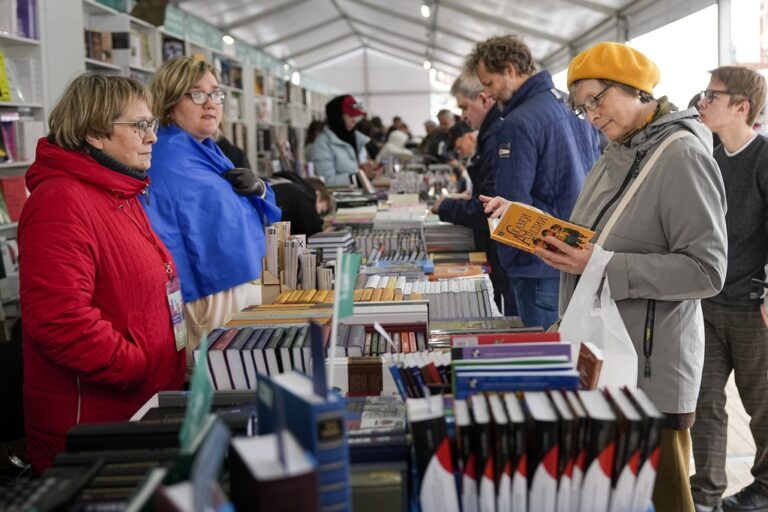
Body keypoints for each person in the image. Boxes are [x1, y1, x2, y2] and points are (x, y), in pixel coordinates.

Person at [486, 42, 728, 512]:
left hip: (650, 367)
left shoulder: (680, 155)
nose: (592, 115)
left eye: (597, 99)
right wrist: (535, 225)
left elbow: (706, 269)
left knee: (662, 494)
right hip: (607, 355)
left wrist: (601, 265)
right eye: (583, 107)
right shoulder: (619, 151)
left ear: (636, 88)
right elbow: (602, 237)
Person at [19, 74, 185, 473]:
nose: (153, 137)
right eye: (139, 125)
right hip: (97, 426)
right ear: (94, 133)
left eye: (152, 124)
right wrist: (137, 367)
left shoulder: (120, 192)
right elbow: (60, 319)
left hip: (136, 410)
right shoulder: (61, 201)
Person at [145, 57, 281, 375]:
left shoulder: (206, 149)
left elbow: (245, 209)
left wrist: (260, 188)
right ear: (170, 103)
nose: (210, 103)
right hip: (209, 298)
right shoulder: (166, 156)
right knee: (225, 386)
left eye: (216, 94)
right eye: (196, 94)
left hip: (233, 287)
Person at [468, 34, 601, 328]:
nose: (488, 94)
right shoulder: (572, 105)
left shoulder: (518, 123)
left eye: (489, 83)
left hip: (537, 266)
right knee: (571, 347)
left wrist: (510, 262)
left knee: (543, 351)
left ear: (510, 70)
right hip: (578, 252)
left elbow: (511, 204)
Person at [690, 66, 768, 512]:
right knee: (704, 403)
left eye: (712, 95)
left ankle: (765, 489)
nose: (702, 102)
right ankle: (705, 493)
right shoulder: (709, 159)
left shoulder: (764, 158)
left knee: (763, 406)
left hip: (754, 308)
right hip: (707, 304)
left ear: (742, 107)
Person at [430, 70, 511, 313]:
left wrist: (447, 206)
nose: (463, 116)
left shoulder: (497, 136)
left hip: (510, 253)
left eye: (464, 107)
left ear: (484, 99)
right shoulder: (493, 135)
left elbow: (490, 207)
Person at [310, 95, 379, 186]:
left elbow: (352, 168)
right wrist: (358, 178)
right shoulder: (323, 144)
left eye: (355, 115)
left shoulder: (356, 139)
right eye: (350, 115)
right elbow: (326, 181)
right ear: (337, 117)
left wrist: (364, 168)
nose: (354, 120)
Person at [269, 172, 334, 237]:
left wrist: (321, 222)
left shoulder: (284, 183)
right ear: (318, 195)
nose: (318, 213)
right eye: (321, 210)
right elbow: (311, 235)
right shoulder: (303, 196)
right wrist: (322, 234)